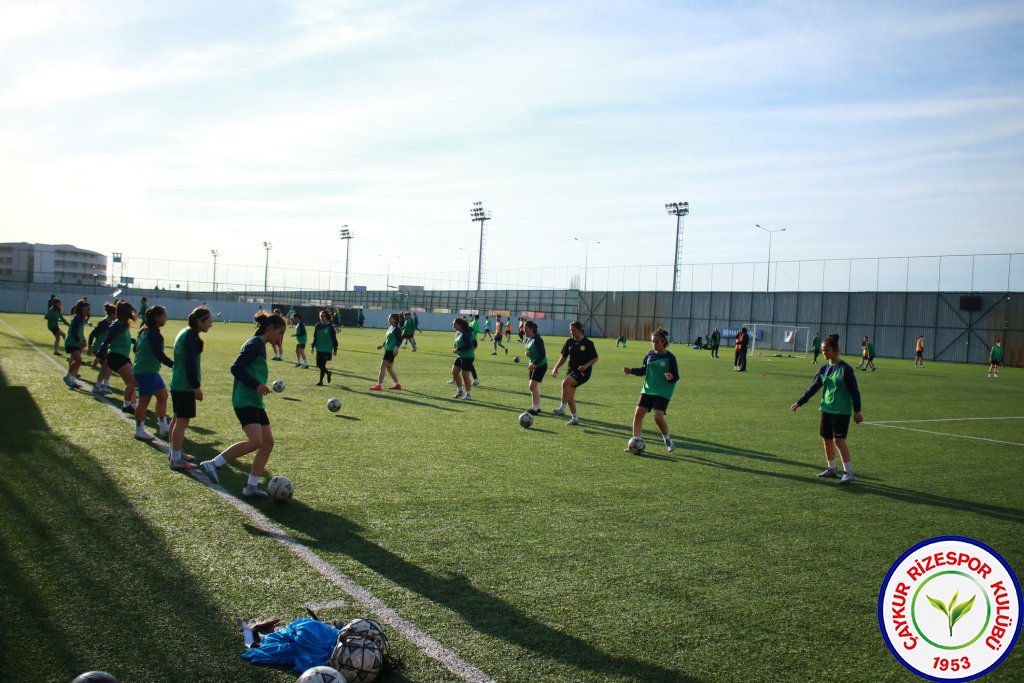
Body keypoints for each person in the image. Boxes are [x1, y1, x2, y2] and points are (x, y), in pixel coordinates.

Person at [198, 311, 288, 498]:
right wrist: (256, 385)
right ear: (270, 328)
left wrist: (259, 386)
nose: (280, 338)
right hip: (244, 399)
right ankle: (213, 464)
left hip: (254, 400)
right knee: (256, 441)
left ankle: (251, 487)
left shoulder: (260, 345)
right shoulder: (254, 344)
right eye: (280, 333)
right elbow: (236, 368)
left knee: (268, 442)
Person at [790, 333, 863, 485]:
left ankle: (848, 472)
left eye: (826, 350)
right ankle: (831, 468)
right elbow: (814, 387)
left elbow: (854, 391)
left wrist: (857, 411)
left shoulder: (845, 369)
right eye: (822, 350)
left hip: (841, 411)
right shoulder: (824, 368)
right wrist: (800, 402)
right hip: (826, 408)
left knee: (838, 440)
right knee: (827, 439)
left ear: (835, 350)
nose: (823, 353)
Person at [168, 307, 213, 470]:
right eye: (208, 321)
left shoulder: (187, 332)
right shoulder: (191, 337)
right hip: (183, 384)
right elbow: (190, 364)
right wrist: (196, 387)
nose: (211, 324)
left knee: (176, 418)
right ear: (199, 321)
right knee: (182, 421)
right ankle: (176, 458)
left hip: (178, 382)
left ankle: (175, 452)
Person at [623, 327, 679, 452]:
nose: (654, 344)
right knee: (637, 416)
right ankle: (634, 443)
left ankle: (667, 440)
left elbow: (676, 376)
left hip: (663, 391)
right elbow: (643, 370)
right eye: (652, 341)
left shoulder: (670, 357)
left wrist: (671, 377)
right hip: (648, 389)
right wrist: (631, 370)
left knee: (658, 417)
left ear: (663, 342)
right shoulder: (650, 354)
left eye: (656, 342)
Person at [131, 305, 174, 441]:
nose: (166, 319)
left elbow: (135, 349)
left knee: (163, 396)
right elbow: (159, 354)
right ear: (157, 317)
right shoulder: (153, 333)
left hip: (148, 370)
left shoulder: (144, 330)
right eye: (164, 316)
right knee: (144, 402)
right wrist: (174, 365)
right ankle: (139, 430)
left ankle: (163, 428)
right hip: (146, 371)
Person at [551, 321, 599, 426]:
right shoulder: (569, 342)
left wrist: (586, 366)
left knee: (565, 383)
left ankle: (562, 409)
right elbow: (563, 357)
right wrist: (556, 368)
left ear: (580, 330)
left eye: (574, 330)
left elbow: (595, 358)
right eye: (570, 330)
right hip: (571, 370)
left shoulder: (588, 343)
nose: (572, 332)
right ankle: (575, 417)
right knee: (569, 395)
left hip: (583, 372)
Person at [98, 300, 138, 414]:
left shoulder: (123, 325)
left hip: (123, 356)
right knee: (132, 381)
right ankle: (126, 405)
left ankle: (134, 405)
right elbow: (105, 342)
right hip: (116, 357)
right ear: (125, 312)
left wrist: (135, 341)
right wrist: (99, 356)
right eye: (130, 311)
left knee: (130, 382)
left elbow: (123, 339)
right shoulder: (116, 325)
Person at [88, 302, 117, 393]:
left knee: (107, 367)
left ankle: (102, 386)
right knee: (107, 366)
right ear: (112, 314)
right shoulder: (103, 323)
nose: (117, 315)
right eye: (116, 313)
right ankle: (102, 386)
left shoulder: (113, 323)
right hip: (99, 348)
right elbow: (92, 334)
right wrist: (90, 347)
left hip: (106, 349)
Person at [370, 313, 402, 391]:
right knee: (389, 368)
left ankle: (379, 385)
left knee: (382, 367)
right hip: (388, 349)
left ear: (395, 319)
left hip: (391, 351)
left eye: (390, 318)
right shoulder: (391, 327)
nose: (388, 320)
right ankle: (398, 384)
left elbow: (400, 339)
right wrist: (382, 345)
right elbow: (388, 339)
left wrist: (396, 347)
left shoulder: (397, 329)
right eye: (388, 318)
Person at [63, 299, 90, 389]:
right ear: (82, 309)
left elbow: (80, 331)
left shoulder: (81, 318)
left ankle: (73, 380)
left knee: (77, 362)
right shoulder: (77, 317)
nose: (89, 311)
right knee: (78, 361)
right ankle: (67, 377)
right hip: (71, 342)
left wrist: (84, 340)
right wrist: (79, 340)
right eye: (87, 309)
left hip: (76, 342)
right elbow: (73, 331)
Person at [523, 320, 547, 415]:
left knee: (532, 386)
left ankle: (535, 409)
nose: (524, 330)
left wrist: (534, 364)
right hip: (532, 365)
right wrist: (528, 353)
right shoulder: (528, 339)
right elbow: (530, 351)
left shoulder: (538, 339)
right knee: (533, 387)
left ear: (531, 329)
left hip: (540, 365)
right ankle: (537, 407)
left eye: (526, 328)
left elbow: (542, 354)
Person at [450, 317, 475, 400]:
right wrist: (455, 347)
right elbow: (458, 342)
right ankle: (460, 391)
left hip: (467, 357)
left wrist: (458, 349)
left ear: (460, 325)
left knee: (465, 375)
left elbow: (469, 346)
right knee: (454, 372)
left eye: (455, 324)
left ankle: (468, 394)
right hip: (460, 356)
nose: (453, 326)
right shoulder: (459, 332)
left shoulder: (465, 333)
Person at [312, 309, 338, 386]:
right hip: (319, 348)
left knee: (322, 365)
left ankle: (320, 381)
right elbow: (315, 336)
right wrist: (313, 346)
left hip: (327, 348)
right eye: (320, 316)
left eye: (323, 316)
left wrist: (335, 349)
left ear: (327, 317)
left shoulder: (330, 327)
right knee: (318, 364)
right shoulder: (318, 325)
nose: (321, 318)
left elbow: (334, 338)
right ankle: (328, 373)